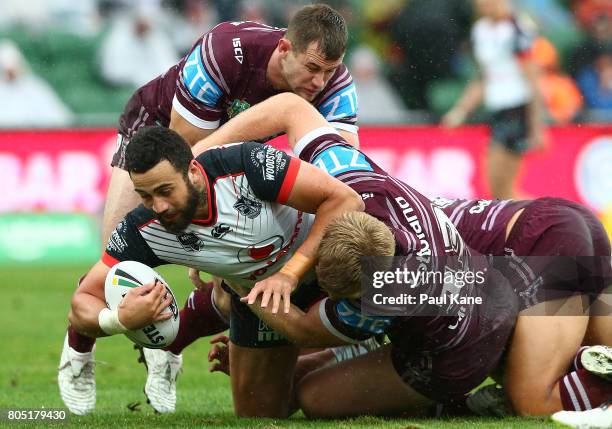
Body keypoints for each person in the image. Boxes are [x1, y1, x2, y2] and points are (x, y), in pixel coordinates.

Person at [194, 93, 612, 417]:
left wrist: (233, 272)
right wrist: (200, 158)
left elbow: (316, 330)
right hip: (551, 225)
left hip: (538, 246)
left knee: (532, 397)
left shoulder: (390, 276)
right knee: (582, 357)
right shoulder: (350, 182)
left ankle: (471, 401)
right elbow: (290, 107)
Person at [60, 3, 359, 415]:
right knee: (114, 269)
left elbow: (340, 167)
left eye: (329, 71)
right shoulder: (225, 51)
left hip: (215, 165)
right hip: (158, 138)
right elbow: (188, 157)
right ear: (285, 48)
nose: (320, 81)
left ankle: (168, 344)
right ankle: (78, 354)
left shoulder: (335, 83)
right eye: (312, 69)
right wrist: (202, 238)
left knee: (231, 283)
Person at [61, 125, 363, 416]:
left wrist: (290, 273)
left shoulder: (246, 164)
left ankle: (358, 344)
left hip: (328, 266)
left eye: (166, 190)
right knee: (260, 410)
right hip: (260, 295)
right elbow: (83, 300)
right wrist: (119, 319)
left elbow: (345, 199)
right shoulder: (144, 230)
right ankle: (340, 353)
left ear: (193, 171)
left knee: (389, 297)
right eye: (146, 196)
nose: (159, 206)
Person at [441, 0, 545, 200]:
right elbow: (483, 78)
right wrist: (460, 110)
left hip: (516, 110)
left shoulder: (517, 28)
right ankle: (549, 218)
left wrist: (536, 126)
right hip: (497, 110)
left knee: (501, 190)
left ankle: (552, 218)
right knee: (500, 192)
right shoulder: (480, 30)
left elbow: (532, 78)